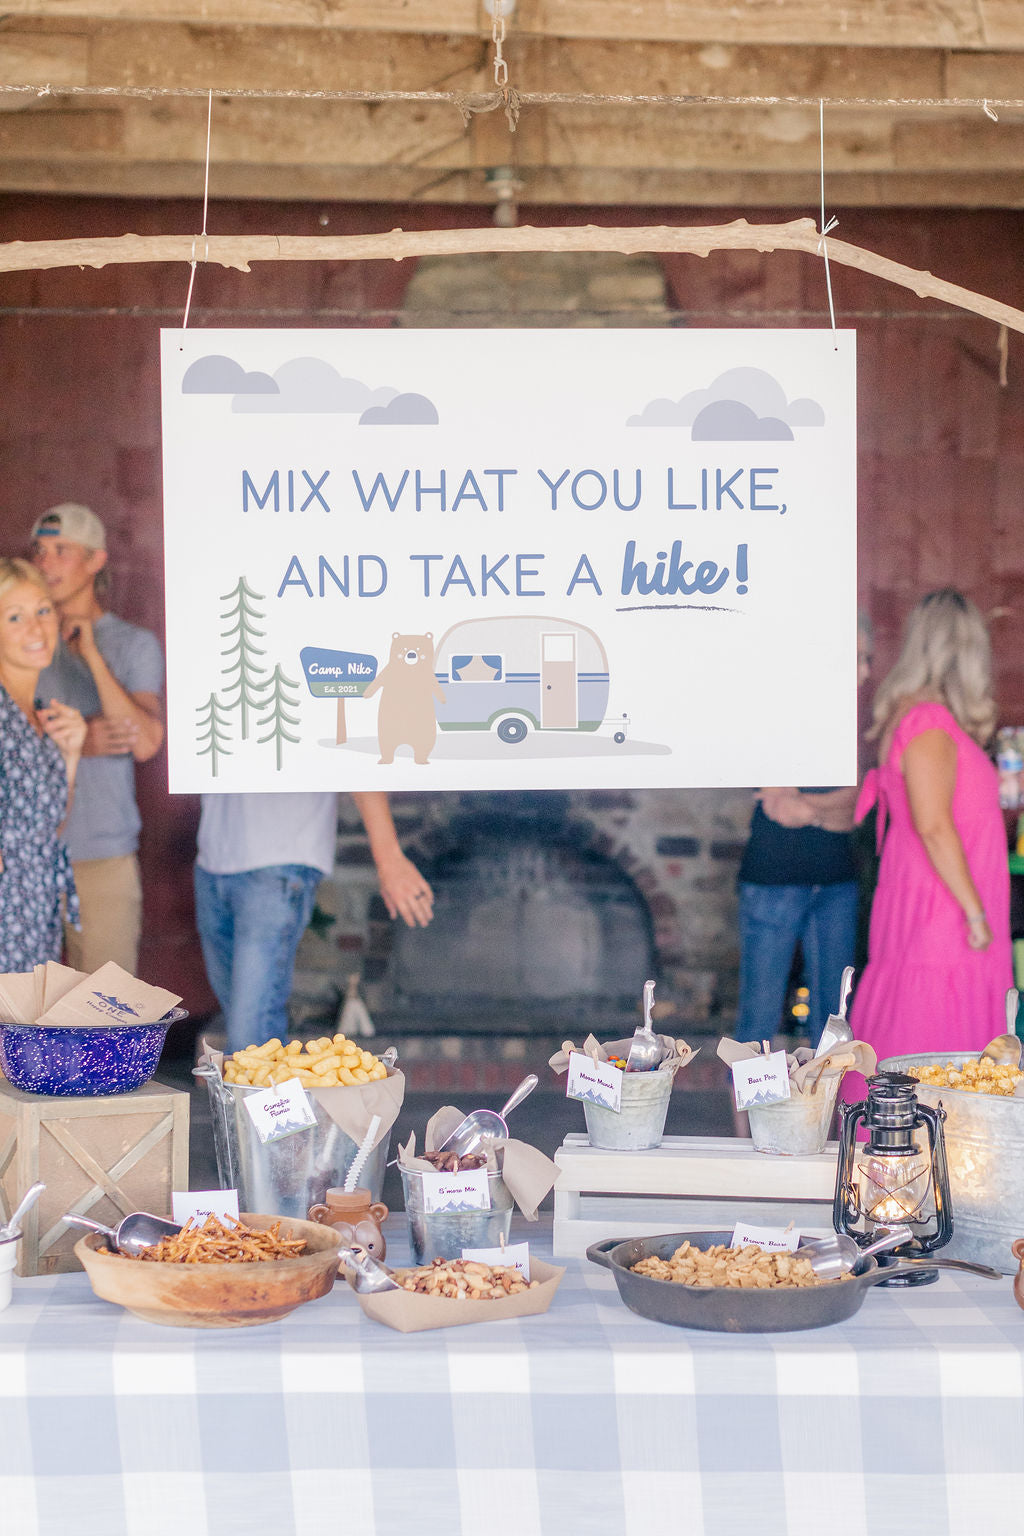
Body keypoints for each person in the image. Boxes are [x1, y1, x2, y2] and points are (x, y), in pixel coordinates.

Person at [847, 589, 1012, 1095]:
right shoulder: (929, 724)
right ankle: (914, 1155)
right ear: (963, 652)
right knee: (931, 1040)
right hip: (943, 917)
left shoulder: (924, 720)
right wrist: (976, 913)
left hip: (933, 911)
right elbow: (933, 824)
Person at [30, 503, 164, 974]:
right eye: (40, 551)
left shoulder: (132, 644)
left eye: (61, 551)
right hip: (27, 857)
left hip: (103, 857)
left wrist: (89, 653)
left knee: (107, 1015)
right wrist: (79, 741)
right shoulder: (18, 640)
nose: (45, 563)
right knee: (25, 1018)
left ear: (96, 560)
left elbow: (146, 741)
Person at [194, 789, 433, 1054]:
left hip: (281, 858)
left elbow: (357, 757)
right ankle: (274, 1094)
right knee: (251, 1030)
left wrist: (389, 859)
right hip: (212, 857)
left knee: (249, 1036)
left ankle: (258, 1095)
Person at [734, 622, 873, 1048]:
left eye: (867, 658)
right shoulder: (778, 712)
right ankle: (746, 1117)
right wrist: (831, 808)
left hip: (836, 880)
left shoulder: (857, 722)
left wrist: (809, 806)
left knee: (835, 1023)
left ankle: (828, 1117)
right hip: (773, 879)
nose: (866, 671)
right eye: (857, 658)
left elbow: (862, 805)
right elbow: (778, 805)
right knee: (758, 1019)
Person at [0, 558, 86, 969]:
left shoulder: (41, 715)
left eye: (43, 610)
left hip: (38, 909)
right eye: (15, 617)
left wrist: (70, 754)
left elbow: (50, 823)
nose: (36, 628)